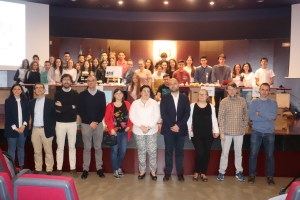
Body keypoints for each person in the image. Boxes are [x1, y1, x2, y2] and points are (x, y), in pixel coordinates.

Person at [217, 82, 249, 182]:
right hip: (226, 131)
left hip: (239, 131)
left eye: (233, 89)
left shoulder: (242, 101)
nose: (232, 91)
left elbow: (246, 115)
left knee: (238, 153)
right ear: (226, 90)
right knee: (224, 153)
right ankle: (221, 172)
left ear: (236, 90)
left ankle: (239, 172)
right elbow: (220, 117)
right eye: (229, 89)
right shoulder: (223, 102)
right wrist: (221, 132)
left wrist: (244, 128)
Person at [160, 78, 190, 182]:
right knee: (168, 151)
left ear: (178, 85)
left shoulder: (185, 98)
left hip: (181, 130)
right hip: (168, 129)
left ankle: (179, 172)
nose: (173, 85)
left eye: (175, 84)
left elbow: (187, 113)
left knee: (179, 152)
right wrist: (173, 125)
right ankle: (168, 172)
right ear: (168, 86)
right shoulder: (165, 98)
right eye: (171, 84)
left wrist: (179, 125)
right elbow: (163, 113)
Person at [248, 83, 278, 185]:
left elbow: (273, 116)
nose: (264, 92)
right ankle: (252, 175)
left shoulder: (274, 103)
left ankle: (270, 176)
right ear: (259, 91)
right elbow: (252, 117)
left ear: (269, 91)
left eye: (266, 90)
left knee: (270, 155)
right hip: (256, 131)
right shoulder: (254, 102)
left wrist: (259, 113)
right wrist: (267, 117)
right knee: (253, 154)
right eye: (263, 89)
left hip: (269, 132)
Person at [77, 75, 106, 179]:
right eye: (89, 81)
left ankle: (99, 168)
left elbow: (103, 110)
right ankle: (85, 169)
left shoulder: (101, 95)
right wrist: (90, 122)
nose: (91, 82)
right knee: (87, 148)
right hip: (86, 125)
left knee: (98, 147)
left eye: (93, 80)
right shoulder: (82, 95)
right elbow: (80, 110)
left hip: (98, 125)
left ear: (96, 82)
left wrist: (96, 122)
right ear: (87, 83)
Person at [129, 85, 160, 181]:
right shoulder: (135, 103)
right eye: (144, 91)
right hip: (138, 131)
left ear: (150, 93)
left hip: (152, 131)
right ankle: (142, 171)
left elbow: (157, 116)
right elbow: (132, 116)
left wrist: (149, 127)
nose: (146, 93)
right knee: (141, 151)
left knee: (152, 151)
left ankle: (153, 171)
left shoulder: (154, 103)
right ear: (140, 92)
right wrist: (141, 126)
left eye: (148, 91)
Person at [187, 89, 219, 182]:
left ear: (207, 96)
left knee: (206, 153)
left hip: (208, 134)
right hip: (196, 134)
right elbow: (189, 120)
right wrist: (189, 131)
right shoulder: (192, 106)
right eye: (200, 94)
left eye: (204, 95)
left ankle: (203, 173)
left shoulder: (211, 107)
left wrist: (216, 130)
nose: (201, 96)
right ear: (198, 96)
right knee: (200, 153)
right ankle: (196, 172)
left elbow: (214, 119)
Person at [54, 74, 79, 177]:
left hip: (72, 123)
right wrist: (70, 107)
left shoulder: (75, 93)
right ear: (62, 82)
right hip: (60, 123)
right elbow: (57, 109)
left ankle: (73, 168)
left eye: (68, 79)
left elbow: (76, 109)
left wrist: (64, 108)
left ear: (71, 81)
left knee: (72, 147)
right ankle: (59, 169)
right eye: (64, 79)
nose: (66, 81)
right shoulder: (57, 93)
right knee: (60, 147)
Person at [104, 89, 132, 179]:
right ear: (114, 95)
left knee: (123, 151)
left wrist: (129, 126)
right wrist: (111, 129)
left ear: (122, 95)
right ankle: (116, 170)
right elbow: (107, 119)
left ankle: (117, 167)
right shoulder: (110, 106)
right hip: (114, 133)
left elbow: (131, 116)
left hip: (124, 132)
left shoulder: (127, 104)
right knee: (114, 151)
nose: (119, 95)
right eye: (117, 93)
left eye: (120, 93)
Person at [29, 83, 56, 175]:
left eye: (41, 87)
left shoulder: (51, 102)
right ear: (34, 91)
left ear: (45, 90)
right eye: (37, 88)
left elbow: (54, 116)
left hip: (47, 129)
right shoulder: (31, 102)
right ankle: (38, 168)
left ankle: (49, 169)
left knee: (48, 151)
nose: (39, 89)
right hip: (35, 130)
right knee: (37, 151)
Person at [4, 84, 30, 170]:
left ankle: (21, 167)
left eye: (19, 89)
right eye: (15, 89)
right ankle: (11, 168)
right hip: (12, 130)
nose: (17, 90)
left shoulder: (25, 101)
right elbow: (8, 116)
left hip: (23, 129)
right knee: (11, 148)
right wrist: (15, 128)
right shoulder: (8, 101)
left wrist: (23, 126)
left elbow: (27, 115)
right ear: (12, 91)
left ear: (21, 91)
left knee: (21, 148)